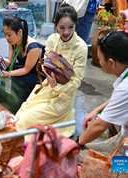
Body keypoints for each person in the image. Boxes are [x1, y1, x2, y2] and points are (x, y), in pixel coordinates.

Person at [16, 3, 88, 142]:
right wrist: (49, 74)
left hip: (64, 95)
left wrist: (57, 86)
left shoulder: (81, 47)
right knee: (21, 114)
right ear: (55, 24)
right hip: (46, 86)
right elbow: (44, 64)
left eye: (70, 27)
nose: (66, 32)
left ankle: (26, 149)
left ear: (76, 24)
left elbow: (76, 81)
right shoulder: (52, 39)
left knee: (27, 119)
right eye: (62, 28)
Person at [76, 31, 128, 165]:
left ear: (111, 62)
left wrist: (75, 143)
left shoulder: (125, 88)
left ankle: (120, 169)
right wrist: (98, 110)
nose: (99, 61)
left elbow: (99, 126)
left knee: (71, 155)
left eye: (100, 59)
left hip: (126, 149)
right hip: (123, 134)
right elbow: (119, 99)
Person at [0, 16, 45, 114]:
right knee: (3, 77)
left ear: (20, 31)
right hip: (24, 70)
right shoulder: (13, 43)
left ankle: (16, 110)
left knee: (14, 81)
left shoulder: (33, 47)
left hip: (37, 75)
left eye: (9, 34)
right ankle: (0, 104)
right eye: (5, 34)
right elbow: (10, 62)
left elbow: (26, 70)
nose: (7, 38)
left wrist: (8, 74)